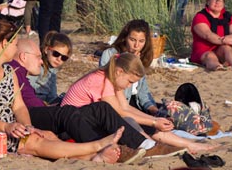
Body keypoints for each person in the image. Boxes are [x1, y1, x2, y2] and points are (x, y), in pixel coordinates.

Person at [0, 19, 124, 163]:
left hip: (12, 129)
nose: (17, 49)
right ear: (5, 43)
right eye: (15, 44)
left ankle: (93, 158)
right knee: (35, 143)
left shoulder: (8, 71)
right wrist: (6, 127)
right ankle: (97, 145)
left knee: (47, 136)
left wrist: (28, 126)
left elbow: (19, 107)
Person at [10, 39, 175, 163]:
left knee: (101, 108)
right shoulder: (13, 70)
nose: (41, 60)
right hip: (57, 122)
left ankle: (146, 145)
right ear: (23, 56)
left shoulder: (19, 74)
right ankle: (119, 147)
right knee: (72, 111)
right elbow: (22, 108)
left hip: (57, 117)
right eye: (39, 56)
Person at [62, 53, 219, 155]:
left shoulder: (110, 78)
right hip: (73, 126)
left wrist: (155, 119)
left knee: (139, 121)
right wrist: (153, 121)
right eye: (130, 81)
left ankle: (187, 144)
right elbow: (118, 112)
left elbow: (125, 107)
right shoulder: (100, 80)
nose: (130, 86)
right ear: (119, 72)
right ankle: (154, 146)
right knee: (130, 121)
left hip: (87, 121)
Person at [100, 20, 158, 115]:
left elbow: (143, 92)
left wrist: (155, 111)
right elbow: (110, 87)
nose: (136, 46)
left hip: (134, 101)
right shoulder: (110, 55)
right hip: (116, 103)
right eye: (132, 40)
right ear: (125, 38)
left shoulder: (141, 56)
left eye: (141, 41)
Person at [190, 0, 232, 71]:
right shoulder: (200, 17)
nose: (217, 2)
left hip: (221, 50)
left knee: (228, 49)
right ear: (208, 2)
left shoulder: (228, 17)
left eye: (220, 0)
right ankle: (216, 67)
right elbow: (207, 35)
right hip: (203, 51)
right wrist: (228, 41)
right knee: (210, 55)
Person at [27, 31, 71, 105]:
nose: (59, 59)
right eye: (56, 54)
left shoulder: (52, 72)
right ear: (46, 50)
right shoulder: (37, 67)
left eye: (64, 58)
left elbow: (52, 96)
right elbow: (27, 90)